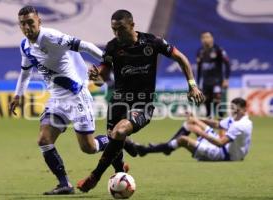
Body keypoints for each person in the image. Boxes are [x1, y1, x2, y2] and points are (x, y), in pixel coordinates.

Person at [77, 9, 205, 192]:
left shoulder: (152, 42)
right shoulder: (112, 47)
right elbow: (100, 81)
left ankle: (95, 176)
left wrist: (192, 85)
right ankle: (121, 172)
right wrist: (95, 76)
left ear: (132, 25)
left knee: (119, 132)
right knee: (115, 140)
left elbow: (181, 58)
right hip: (118, 103)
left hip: (142, 104)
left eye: (120, 29)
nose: (117, 33)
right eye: (114, 29)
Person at [9, 5, 111, 195]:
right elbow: (25, 72)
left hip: (76, 96)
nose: (27, 27)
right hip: (56, 99)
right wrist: (18, 95)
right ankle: (65, 184)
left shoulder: (51, 37)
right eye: (23, 24)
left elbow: (85, 46)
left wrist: (108, 61)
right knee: (44, 139)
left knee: (89, 148)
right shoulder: (25, 45)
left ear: (39, 21)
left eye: (30, 22)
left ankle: (117, 141)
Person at [134, 98, 252, 162]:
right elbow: (217, 124)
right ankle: (168, 148)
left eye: (236, 110)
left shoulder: (239, 125)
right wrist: (195, 118)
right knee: (190, 122)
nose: (233, 112)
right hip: (228, 149)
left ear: (244, 109)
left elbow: (220, 143)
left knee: (183, 140)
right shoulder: (238, 119)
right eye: (232, 109)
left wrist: (199, 132)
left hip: (226, 154)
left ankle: (148, 150)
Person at [197, 31, 230, 118]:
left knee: (217, 99)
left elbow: (227, 64)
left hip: (217, 81)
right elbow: (199, 69)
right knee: (207, 101)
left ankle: (221, 120)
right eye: (203, 37)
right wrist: (197, 83)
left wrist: (226, 79)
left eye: (207, 37)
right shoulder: (200, 52)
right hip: (205, 82)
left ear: (212, 38)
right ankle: (208, 123)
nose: (205, 39)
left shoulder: (219, 50)